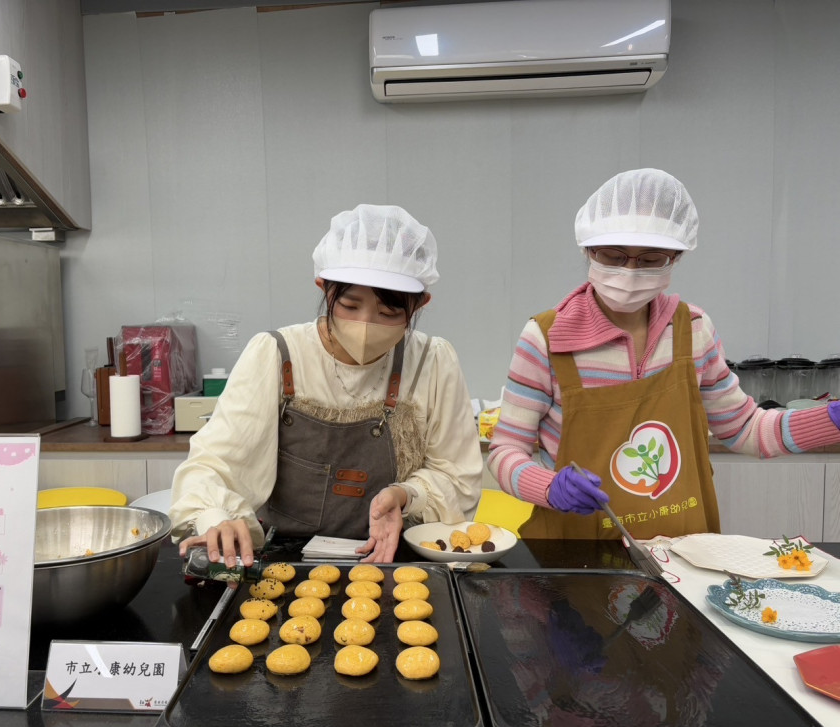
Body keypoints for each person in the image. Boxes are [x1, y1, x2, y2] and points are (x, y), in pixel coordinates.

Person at [488, 168, 840, 539]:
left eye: (650, 260)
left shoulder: (693, 331)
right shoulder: (547, 338)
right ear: (589, 249)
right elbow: (505, 452)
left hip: (683, 554)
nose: (630, 271)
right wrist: (548, 486)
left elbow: (746, 430)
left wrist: (829, 420)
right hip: (577, 558)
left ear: (675, 258)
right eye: (614, 256)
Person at [170, 204, 482, 565]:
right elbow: (214, 464)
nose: (366, 325)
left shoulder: (432, 361)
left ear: (420, 304)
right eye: (350, 305)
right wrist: (215, 516)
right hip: (286, 560)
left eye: (389, 313)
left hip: (393, 559)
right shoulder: (278, 355)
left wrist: (405, 494)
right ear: (324, 286)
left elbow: (458, 478)